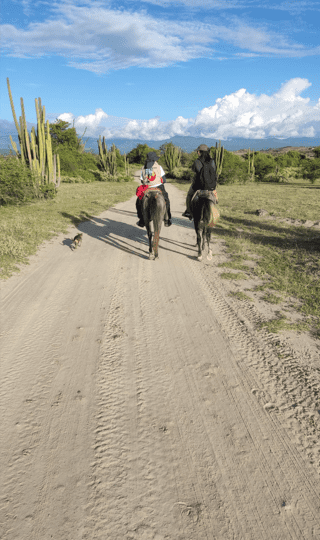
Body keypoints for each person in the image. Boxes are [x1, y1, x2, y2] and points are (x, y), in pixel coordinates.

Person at [136, 151, 172, 227]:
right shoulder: (159, 167)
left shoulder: (143, 167)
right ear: (155, 160)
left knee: (139, 201)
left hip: (147, 188)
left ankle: (141, 220)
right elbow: (164, 180)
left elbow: (142, 180)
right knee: (166, 199)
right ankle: (167, 219)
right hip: (158, 187)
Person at [182, 144, 217, 219]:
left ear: (199, 152)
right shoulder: (212, 161)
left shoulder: (197, 161)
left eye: (198, 151)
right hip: (210, 185)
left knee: (189, 195)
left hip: (198, 185)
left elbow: (195, 171)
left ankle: (188, 211)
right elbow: (214, 171)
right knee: (215, 196)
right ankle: (214, 207)